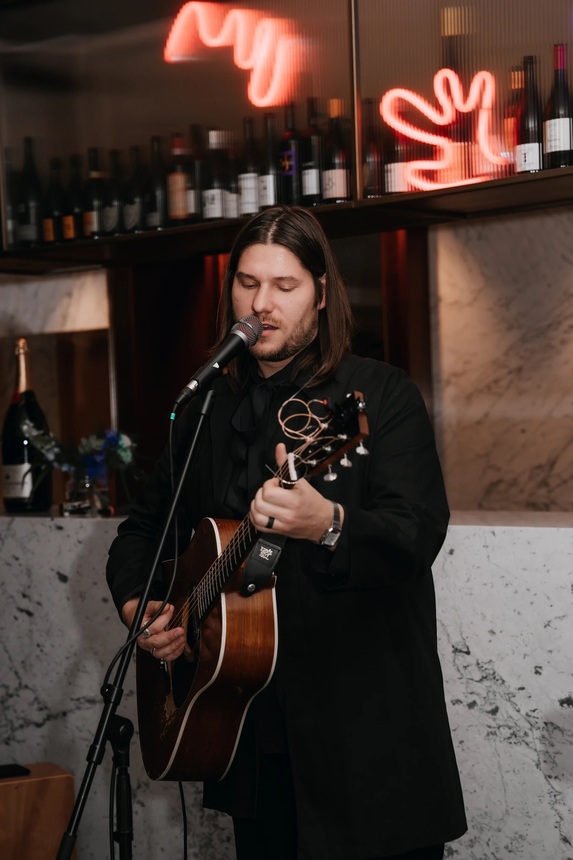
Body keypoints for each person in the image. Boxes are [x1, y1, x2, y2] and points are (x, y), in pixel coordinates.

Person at [106, 205, 467, 860]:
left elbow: (416, 533)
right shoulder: (208, 408)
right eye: (247, 283)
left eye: (284, 285)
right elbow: (143, 529)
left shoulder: (380, 395)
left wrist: (327, 523)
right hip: (247, 735)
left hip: (368, 745)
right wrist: (141, 605)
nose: (261, 305)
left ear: (321, 293)